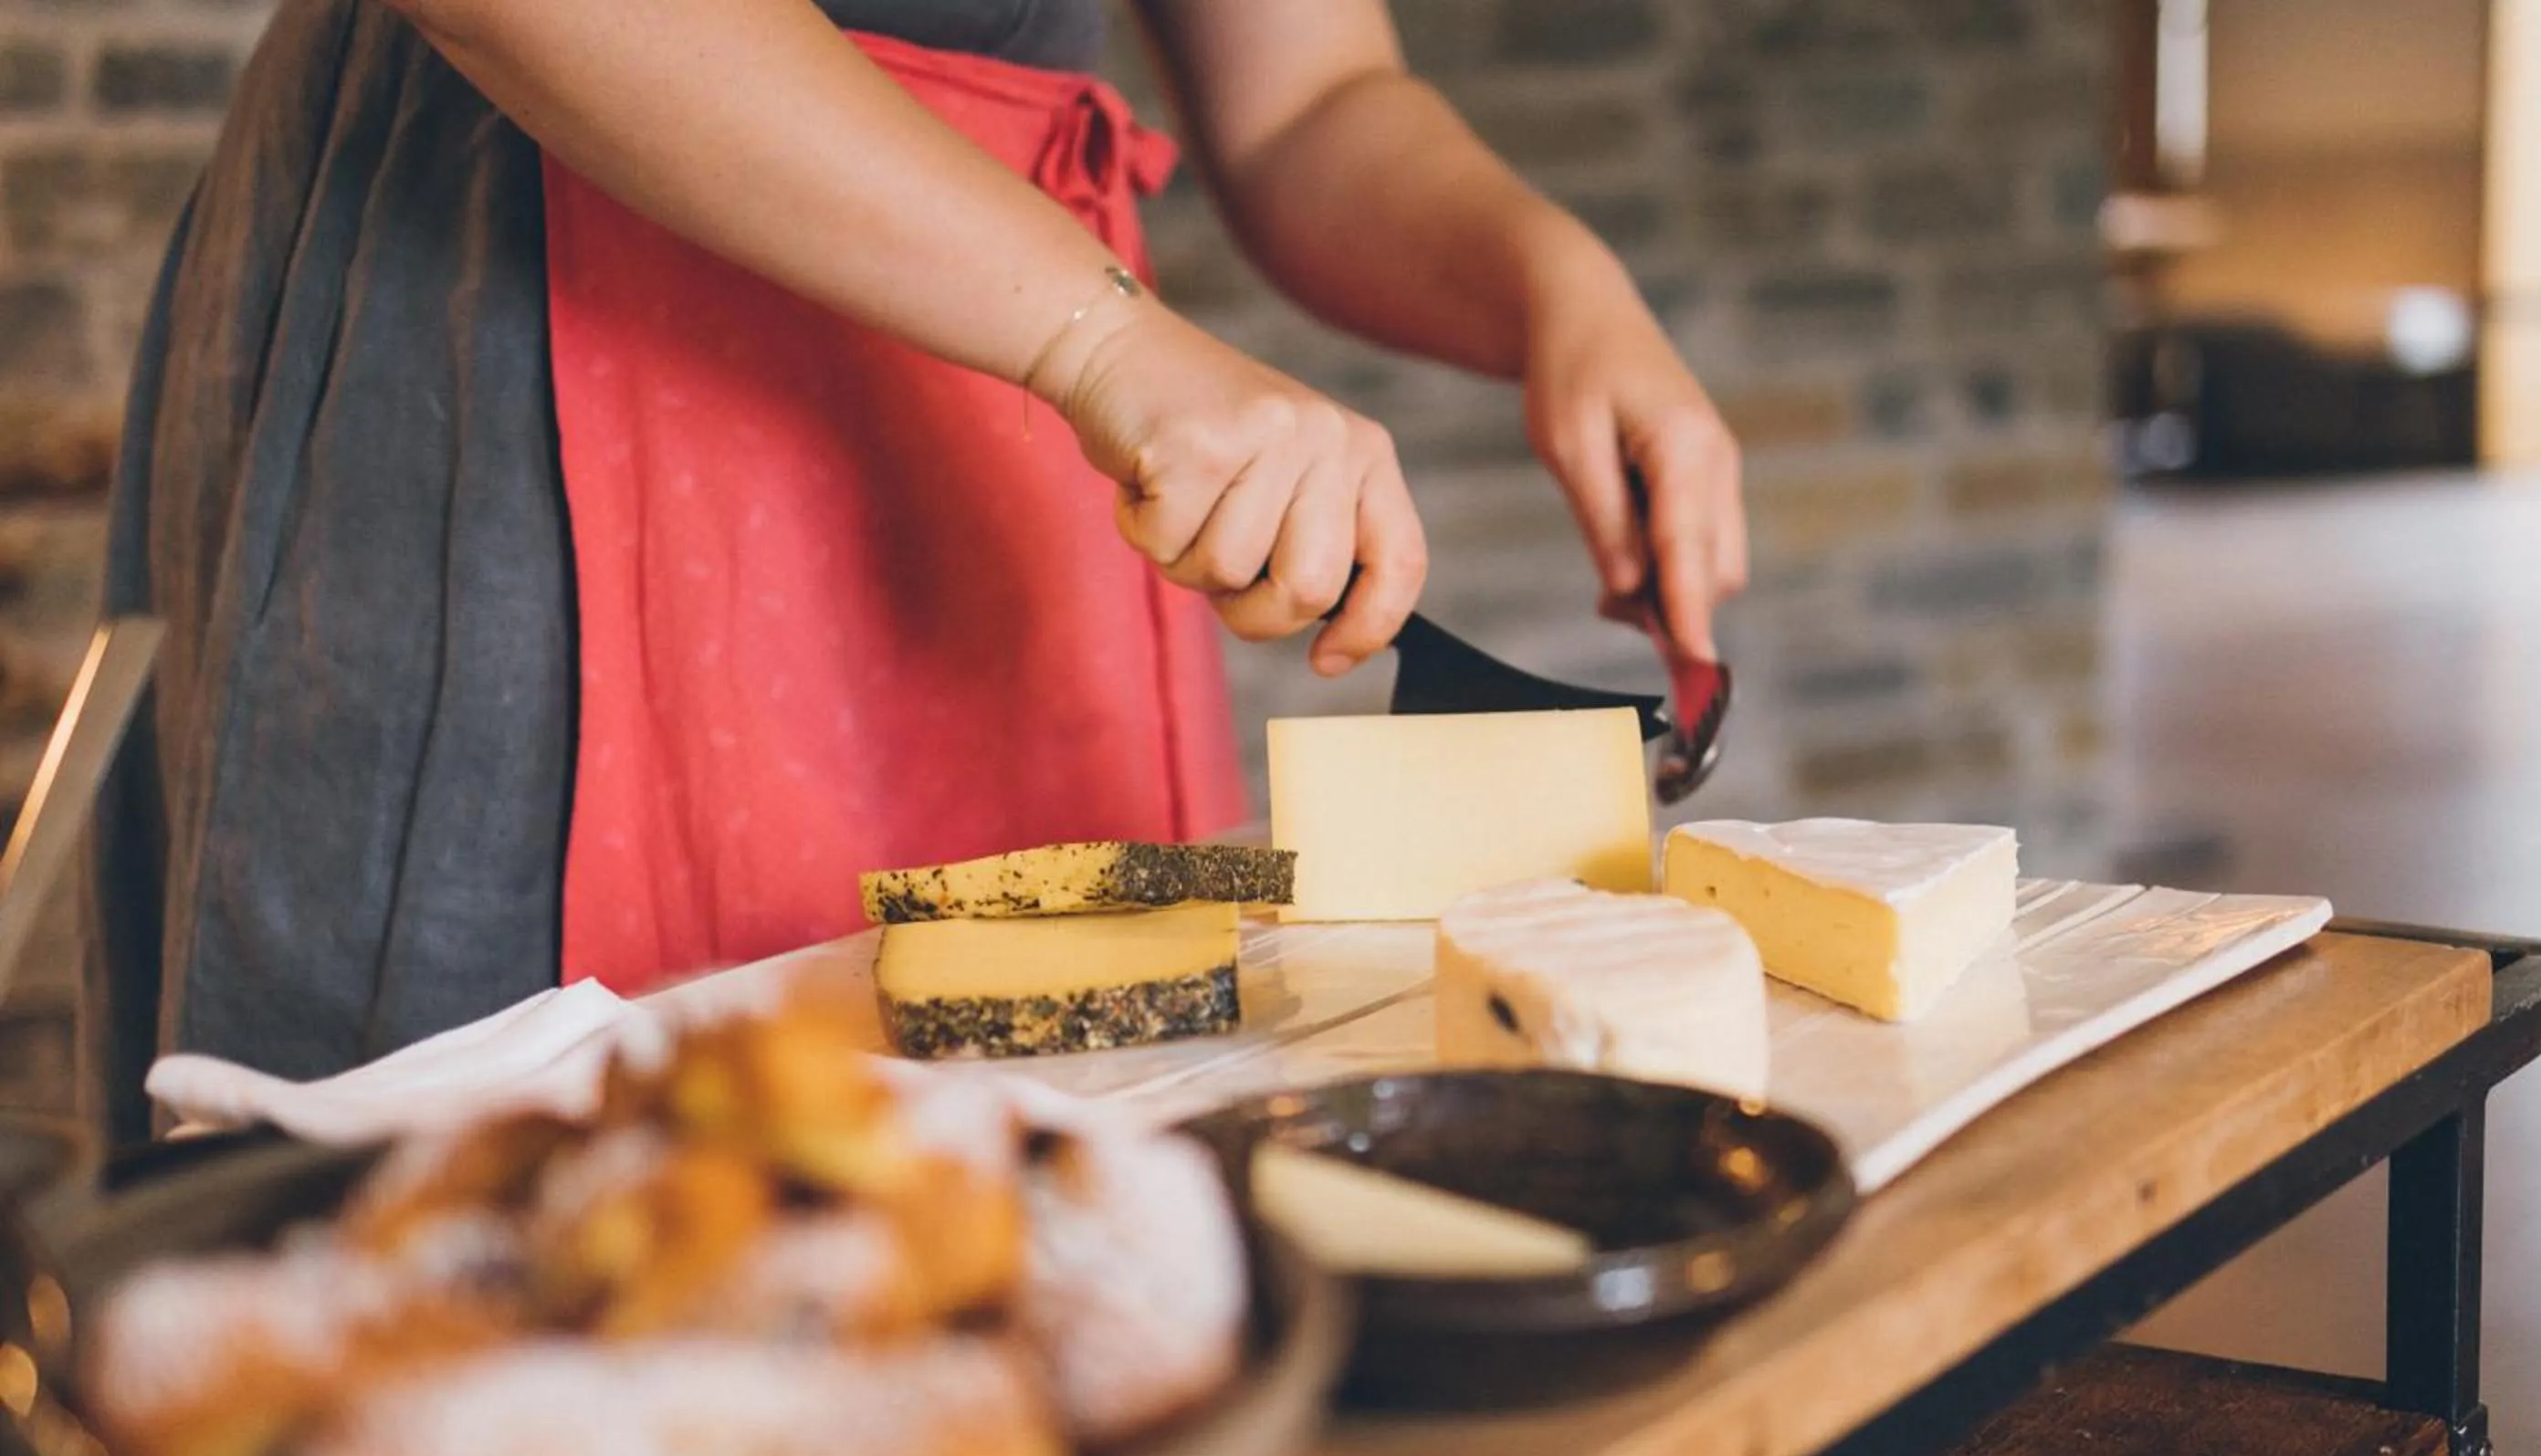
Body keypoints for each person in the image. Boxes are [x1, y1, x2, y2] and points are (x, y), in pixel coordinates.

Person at [81, 0, 1748, 1142]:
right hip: (539, 312)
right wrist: (1100, 335)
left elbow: (1309, 98)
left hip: (1010, 404)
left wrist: (1558, 288)